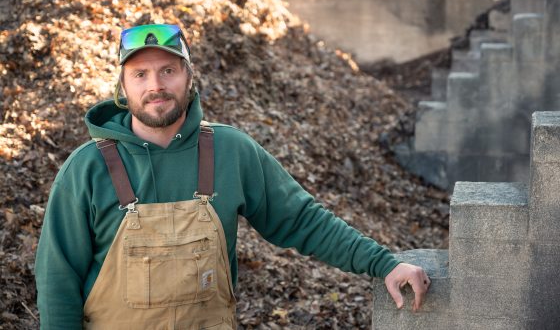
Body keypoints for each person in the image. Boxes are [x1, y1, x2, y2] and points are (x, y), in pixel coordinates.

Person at [35, 24, 431, 329]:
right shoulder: (86, 168)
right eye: (140, 74)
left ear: (189, 77)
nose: (155, 86)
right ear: (122, 86)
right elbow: (58, 278)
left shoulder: (230, 151)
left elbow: (302, 220)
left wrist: (383, 264)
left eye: (168, 70)